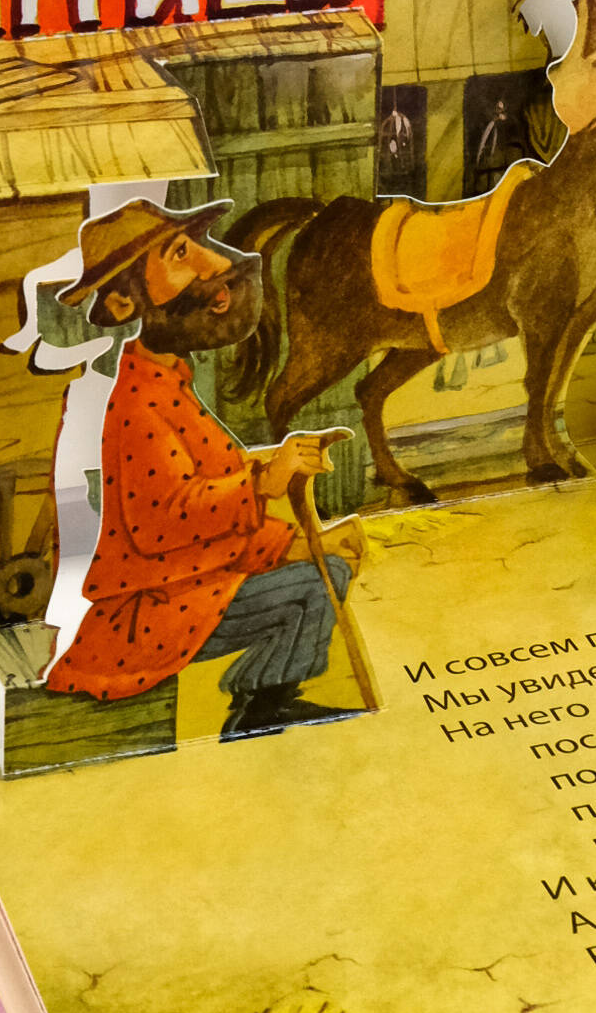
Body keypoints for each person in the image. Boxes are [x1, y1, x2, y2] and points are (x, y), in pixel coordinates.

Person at [42, 198, 366, 738]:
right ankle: (260, 709)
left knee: (326, 567)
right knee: (320, 582)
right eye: (179, 255)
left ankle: (263, 702)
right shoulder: (138, 403)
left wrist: (302, 541)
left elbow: (219, 521)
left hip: (190, 589)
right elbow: (167, 521)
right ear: (123, 303)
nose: (214, 264)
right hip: (150, 615)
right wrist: (262, 482)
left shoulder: (171, 383)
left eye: (195, 247)